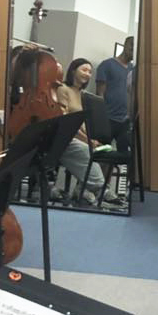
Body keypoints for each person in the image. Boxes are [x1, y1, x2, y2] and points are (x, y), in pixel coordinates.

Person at [54, 56, 121, 206]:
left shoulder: (83, 95)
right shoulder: (63, 89)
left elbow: (84, 124)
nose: (87, 74)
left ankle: (81, 189)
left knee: (106, 151)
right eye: (84, 70)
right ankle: (101, 189)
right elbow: (66, 121)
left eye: (90, 72)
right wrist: (87, 140)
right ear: (73, 70)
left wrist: (91, 139)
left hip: (82, 136)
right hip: (66, 137)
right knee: (86, 150)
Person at [95, 36, 135, 160]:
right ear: (126, 45)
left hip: (125, 120)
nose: (133, 51)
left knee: (121, 157)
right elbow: (99, 94)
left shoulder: (133, 69)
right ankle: (101, 180)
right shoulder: (107, 65)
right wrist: (101, 117)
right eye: (131, 47)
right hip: (108, 118)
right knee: (104, 154)